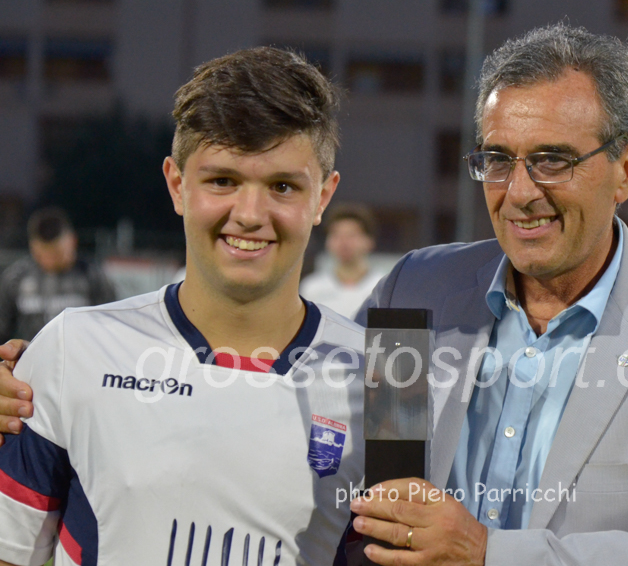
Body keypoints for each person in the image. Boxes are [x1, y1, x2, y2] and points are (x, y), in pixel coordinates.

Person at [342, 24, 628, 566]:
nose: (519, 193)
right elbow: (355, 465)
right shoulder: (416, 289)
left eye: (552, 160)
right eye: (498, 160)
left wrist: (488, 554)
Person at [0, 47, 364, 565]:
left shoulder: (387, 384)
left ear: (322, 197)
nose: (250, 214)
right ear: (177, 184)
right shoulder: (70, 349)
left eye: (282, 186)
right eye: (223, 181)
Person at [0, 207, 116, 342]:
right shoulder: (15, 278)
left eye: (56, 254)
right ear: (32, 246)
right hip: (31, 353)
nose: (49, 261)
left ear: (72, 241)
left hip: (80, 353)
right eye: (43, 254)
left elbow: (111, 327)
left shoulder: (93, 276)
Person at [299, 203, 382, 318]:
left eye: (351, 235)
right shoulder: (312, 288)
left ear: (369, 241)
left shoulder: (382, 289)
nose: (344, 243)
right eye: (336, 235)